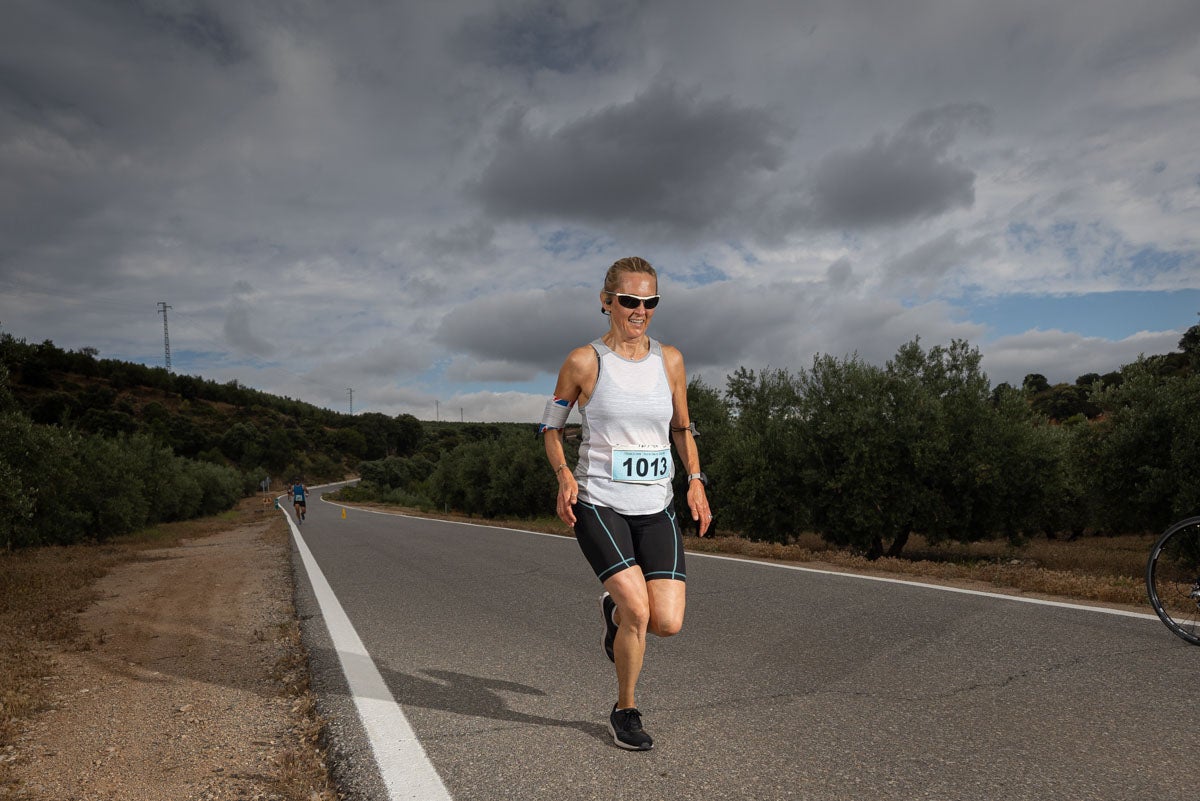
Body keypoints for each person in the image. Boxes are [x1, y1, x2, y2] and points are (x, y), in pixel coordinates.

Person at [540, 256, 712, 751]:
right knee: (639, 610)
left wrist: (695, 479)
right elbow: (550, 428)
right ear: (606, 300)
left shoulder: (670, 360)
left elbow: (681, 426)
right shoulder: (584, 362)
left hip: (656, 506)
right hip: (600, 503)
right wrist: (563, 474)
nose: (641, 310)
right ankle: (625, 709)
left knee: (667, 623)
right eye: (630, 300)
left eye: (650, 301)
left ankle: (613, 615)